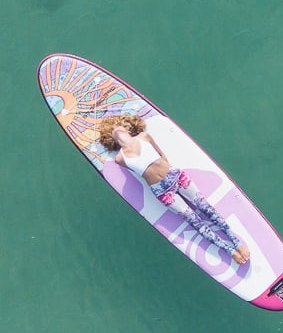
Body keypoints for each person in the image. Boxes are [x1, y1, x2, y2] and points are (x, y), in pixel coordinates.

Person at [93, 113, 251, 267]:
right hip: (161, 191)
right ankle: (230, 251)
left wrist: (169, 172)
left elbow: (162, 155)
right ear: (112, 139)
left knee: (206, 208)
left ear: (126, 128)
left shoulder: (143, 137)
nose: (116, 130)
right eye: (112, 131)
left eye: (117, 126)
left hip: (176, 176)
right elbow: (140, 173)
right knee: (194, 221)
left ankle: (236, 241)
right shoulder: (120, 159)